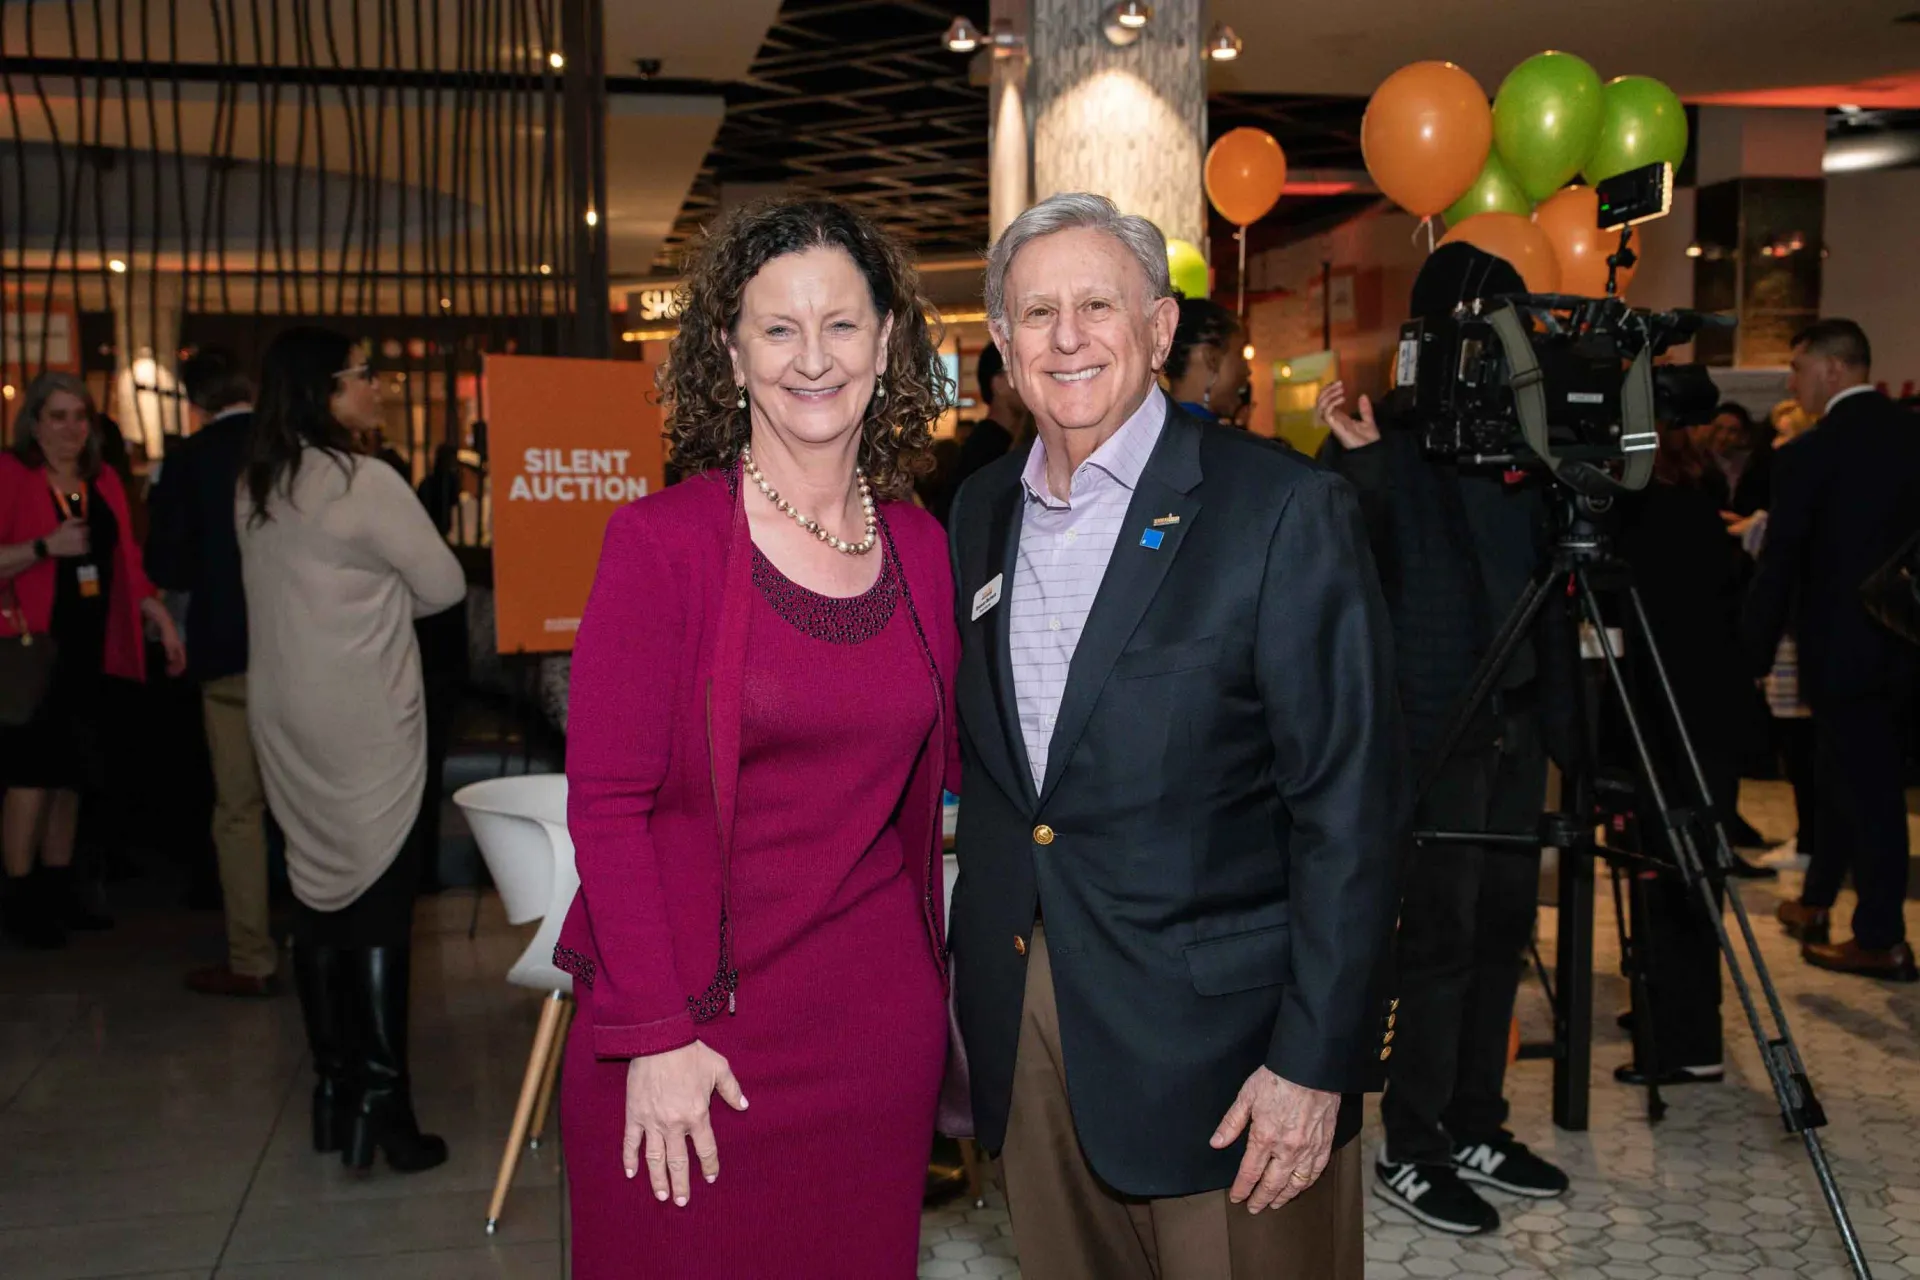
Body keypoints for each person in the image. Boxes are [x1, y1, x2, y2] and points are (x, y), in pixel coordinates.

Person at [946, 193, 1403, 1278]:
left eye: (1098, 304)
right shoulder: (976, 513)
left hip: (1229, 1055)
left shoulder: (1280, 510)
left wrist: (1315, 1057)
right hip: (1034, 1021)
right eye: (1037, 312)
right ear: (1004, 347)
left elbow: (1354, 808)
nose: (1067, 337)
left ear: (1158, 329)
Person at [554, 198, 958, 1279]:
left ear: (886, 342)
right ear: (730, 353)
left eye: (841, 324)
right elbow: (605, 802)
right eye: (778, 329)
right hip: (689, 1036)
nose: (812, 357)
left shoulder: (921, 548)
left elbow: (946, 778)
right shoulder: (662, 544)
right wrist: (653, 1032)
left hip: (874, 1039)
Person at [1315, 242, 1569, 1236]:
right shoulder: (1396, 438)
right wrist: (1360, 458)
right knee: (1440, 937)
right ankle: (1412, 1142)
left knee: (1505, 926)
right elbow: (1346, 559)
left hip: (1516, 715)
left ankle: (1476, 1119)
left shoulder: (1525, 444)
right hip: (1436, 724)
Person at [238, 327, 467, 1170]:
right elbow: (442, 587)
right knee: (376, 908)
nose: (380, 386)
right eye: (363, 375)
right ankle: (384, 1110)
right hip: (362, 716)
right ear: (322, 391)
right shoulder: (363, 481)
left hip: (285, 715)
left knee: (318, 905)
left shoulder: (257, 482)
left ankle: (335, 1095)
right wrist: (374, 617)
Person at [1744, 318, 1920, 981]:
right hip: (1904, 644)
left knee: (1870, 792)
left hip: (1839, 648)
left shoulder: (1809, 454)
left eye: (1798, 368)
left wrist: (1751, 656)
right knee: (1843, 773)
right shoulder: (1913, 435)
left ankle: (1880, 937)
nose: (1792, 381)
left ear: (1834, 370)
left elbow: (1780, 566)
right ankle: (1817, 901)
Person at [0, 373, 185, 948]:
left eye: (79, 416)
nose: (71, 428)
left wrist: (156, 614)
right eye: (57, 416)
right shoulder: (11, 474)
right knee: (29, 778)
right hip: (30, 647)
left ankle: (60, 892)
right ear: (33, 421)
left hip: (92, 647)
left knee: (71, 777)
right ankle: (19, 899)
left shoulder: (101, 479)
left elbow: (126, 561)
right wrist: (42, 548)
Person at [145, 347, 280, 996]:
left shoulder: (192, 460)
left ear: (196, 400)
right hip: (306, 652)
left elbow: (166, 563)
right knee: (308, 806)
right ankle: (325, 948)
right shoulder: (292, 450)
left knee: (239, 811)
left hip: (228, 650)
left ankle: (252, 956)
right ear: (252, 384)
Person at [1165, 294, 1253, 428]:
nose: (1247, 370)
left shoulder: (1154, 430)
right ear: (1212, 358)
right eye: (1239, 354)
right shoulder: (1213, 441)